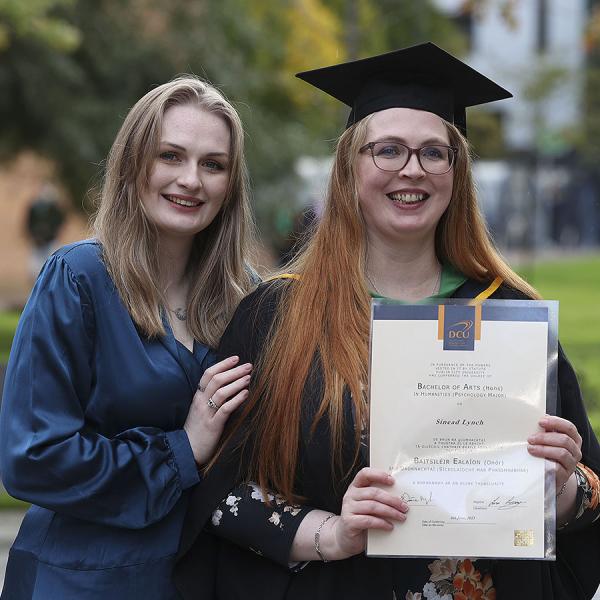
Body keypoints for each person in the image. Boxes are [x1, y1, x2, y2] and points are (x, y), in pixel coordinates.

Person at [174, 44, 600, 599]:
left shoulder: (507, 315)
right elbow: (219, 492)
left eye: (433, 153)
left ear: (457, 172)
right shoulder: (277, 315)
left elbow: (587, 498)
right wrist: (332, 532)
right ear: (350, 167)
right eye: (388, 150)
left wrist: (561, 487)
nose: (411, 170)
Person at [0, 76, 256, 599]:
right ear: (135, 163)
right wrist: (183, 449)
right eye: (170, 156)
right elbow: (33, 458)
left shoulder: (245, 296)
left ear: (231, 184)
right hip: (85, 580)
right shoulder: (79, 279)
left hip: (204, 576)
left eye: (213, 164)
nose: (191, 180)